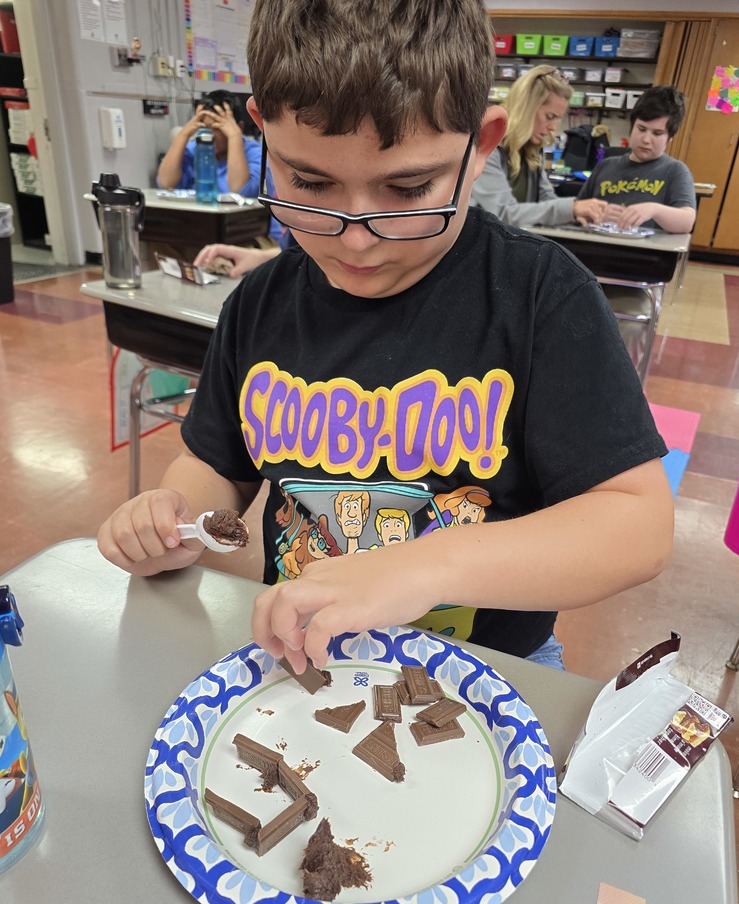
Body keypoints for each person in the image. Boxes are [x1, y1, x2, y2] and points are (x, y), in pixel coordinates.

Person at [97, 0, 673, 677]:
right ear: (262, 133)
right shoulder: (260, 304)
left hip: (487, 667)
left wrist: (427, 566)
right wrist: (175, 519)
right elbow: (214, 466)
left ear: (482, 143)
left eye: (408, 188)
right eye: (309, 182)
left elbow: (638, 527)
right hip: (300, 650)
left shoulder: (543, 297)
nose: (356, 236)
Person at [471, 65, 607, 228]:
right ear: (526, 108)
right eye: (550, 117)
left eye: (557, 119)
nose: (553, 127)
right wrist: (571, 208)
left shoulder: (529, 152)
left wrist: (577, 215)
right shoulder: (486, 149)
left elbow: (547, 200)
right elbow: (503, 214)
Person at [577, 85, 696, 233]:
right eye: (641, 129)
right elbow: (577, 210)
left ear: (670, 138)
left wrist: (654, 210)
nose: (646, 139)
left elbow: (686, 222)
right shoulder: (605, 166)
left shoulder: (675, 171)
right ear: (631, 127)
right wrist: (593, 214)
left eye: (657, 133)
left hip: (644, 253)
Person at [156, 90, 260, 197]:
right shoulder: (195, 148)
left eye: (217, 128)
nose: (211, 135)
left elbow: (241, 192)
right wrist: (184, 134)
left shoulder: (257, 154)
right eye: (205, 128)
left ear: (239, 127)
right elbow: (165, 183)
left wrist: (234, 136)